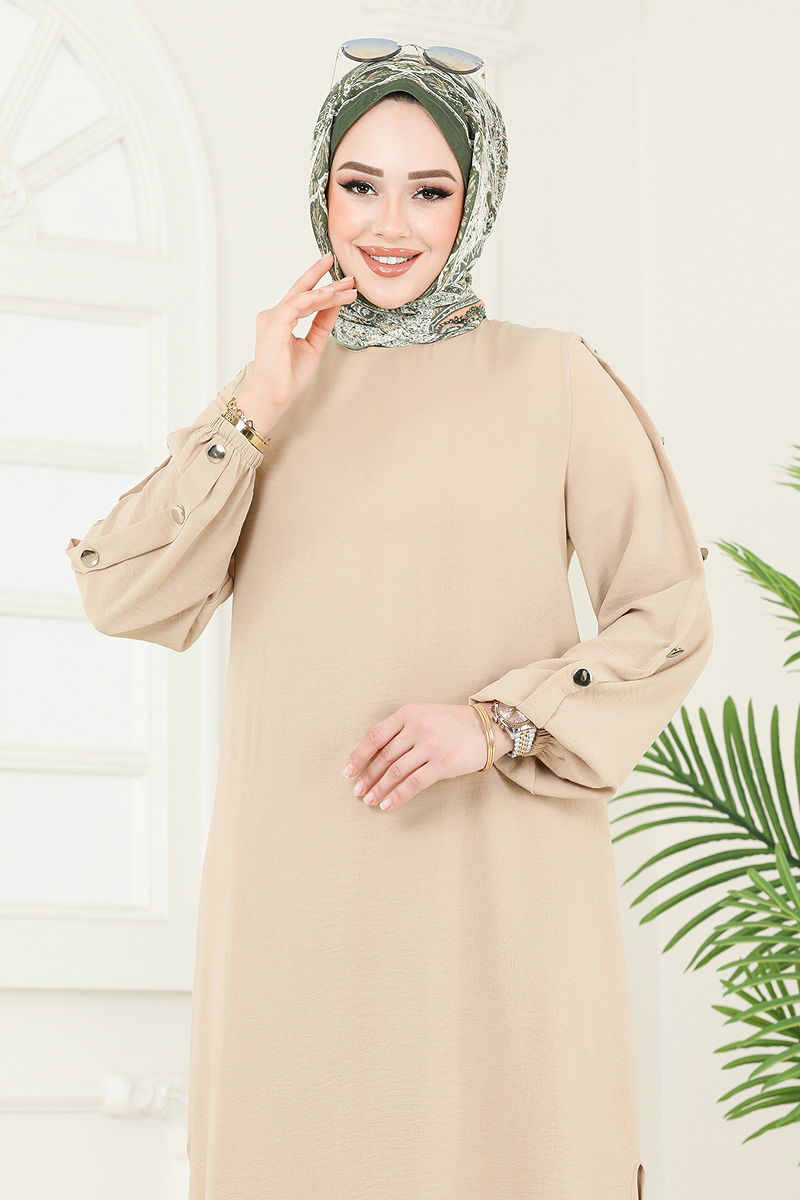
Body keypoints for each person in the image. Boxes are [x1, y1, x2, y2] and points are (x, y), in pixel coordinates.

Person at [65, 40, 713, 1200]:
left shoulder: (555, 377)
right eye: (359, 184)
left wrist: (497, 721)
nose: (389, 225)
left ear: (474, 201)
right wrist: (256, 403)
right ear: (321, 188)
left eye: (428, 190)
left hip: (495, 887)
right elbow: (122, 589)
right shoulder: (271, 397)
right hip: (299, 899)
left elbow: (665, 612)